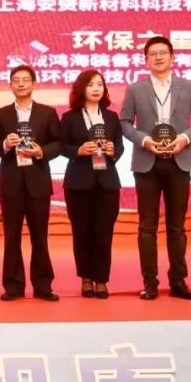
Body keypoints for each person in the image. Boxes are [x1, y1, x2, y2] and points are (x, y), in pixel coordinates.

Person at [120, 36, 191, 301]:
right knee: (147, 227)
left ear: (172, 57)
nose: (158, 57)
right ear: (146, 59)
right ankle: (150, 283)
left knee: (177, 227)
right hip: (146, 162)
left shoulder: (188, 87)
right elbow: (124, 123)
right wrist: (145, 141)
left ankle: (178, 281)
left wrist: (184, 138)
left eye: (163, 53)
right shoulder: (135, 89)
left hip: (178, 161)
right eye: (153, 54)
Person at [0, 65, 62, 301]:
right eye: (16, 80)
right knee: (12, 237)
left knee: (40, 236)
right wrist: (5, 144)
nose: (20, 84)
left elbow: (57, 144)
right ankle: (13, 285)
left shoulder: (47, 113)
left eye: (25, 80)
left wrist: (41, 152)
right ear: (10, 85)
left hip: (38, 181)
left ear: (33, 84)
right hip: (11, 183)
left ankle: (43, 285)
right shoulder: (1, 114)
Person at [60, 69, 124, 299]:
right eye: (90, 85)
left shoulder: (111, 117)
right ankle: (86, 277)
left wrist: (113, 151)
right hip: (79, 182)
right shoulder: (70, 118)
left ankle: (102, 279)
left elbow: (119, 146)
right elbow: (61, 146)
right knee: (82, 232)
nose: (96, 89)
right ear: (81, 89)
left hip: (107, 182)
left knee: (104, 232)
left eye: (99, 84)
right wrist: (78, 150)